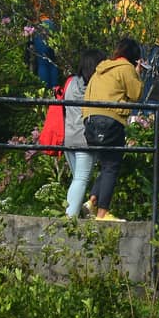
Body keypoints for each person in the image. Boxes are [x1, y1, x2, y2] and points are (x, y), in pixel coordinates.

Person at [81, 36, 144, 224]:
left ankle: (92, 201)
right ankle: (102, 213)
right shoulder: (126, 69)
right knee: (112, 166)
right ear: (134, 56)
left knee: (107, 164)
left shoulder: (100, 69)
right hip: (109, 121)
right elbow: (136, 94)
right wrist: (137, 72)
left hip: (90, 121)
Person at [62, 48, 104, 219]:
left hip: (69, 136)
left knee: (77, 179)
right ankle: (69, 218)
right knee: (81, 179)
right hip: (85, 139)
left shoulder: (71, 82)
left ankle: (75, 212)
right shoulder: (94, 86)